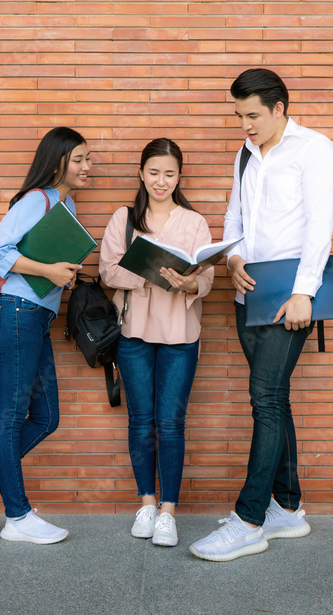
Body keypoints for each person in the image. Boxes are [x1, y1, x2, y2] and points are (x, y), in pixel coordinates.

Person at [189, 68, 333, 562]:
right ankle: (289, 508)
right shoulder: (245, 154)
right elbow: (236, 214)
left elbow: (320, 226)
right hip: (247, 294)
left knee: (266, 398)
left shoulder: (314, 150)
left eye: (251, 115)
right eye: (238, 116)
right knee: (274, 399)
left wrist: (305, 295)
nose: (244, 126)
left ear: (279, 108)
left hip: (289, 296)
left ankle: (250, 519)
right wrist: (232, 258)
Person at [0, 127, 91, 545]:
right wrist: (49, 271)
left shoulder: (67, 205)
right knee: (10, 416)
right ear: (58, 161)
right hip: (15, 313)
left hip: (33, 316)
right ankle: (17, 515)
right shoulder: (38, 199)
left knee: (46, 417)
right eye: (79, 159)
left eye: (88, 159)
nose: (87, 167)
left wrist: (63, 273)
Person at [99, 138, 214, 548]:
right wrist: (147, 274)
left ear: (179, 176)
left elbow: (207, 277)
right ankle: (146, 502)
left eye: (168, 174)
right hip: (133, 334)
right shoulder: (124, 218)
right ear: (141, 173)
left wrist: (189, 283)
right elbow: (107, 272)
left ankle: (168, 511)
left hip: (180, 335)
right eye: (153, 172)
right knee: (139, 420)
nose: (160, 181)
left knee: (170, 422)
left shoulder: (194, 221)